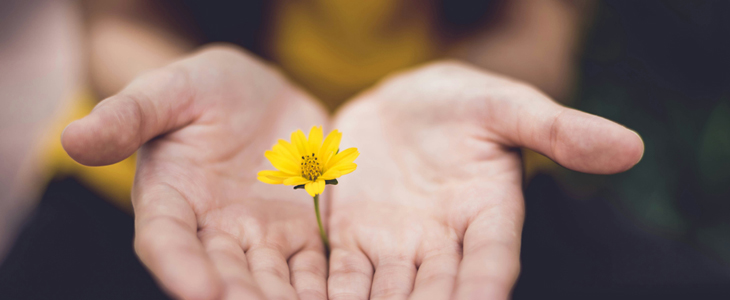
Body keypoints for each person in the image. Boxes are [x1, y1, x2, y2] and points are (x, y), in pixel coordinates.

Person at [3, 0, 647, 299]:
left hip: (449, 180)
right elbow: (120, 19)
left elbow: (536, 28)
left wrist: (481, 88)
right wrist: (173, 93)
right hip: (184, 172)